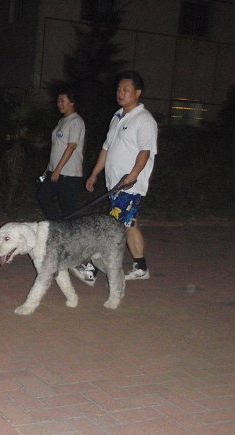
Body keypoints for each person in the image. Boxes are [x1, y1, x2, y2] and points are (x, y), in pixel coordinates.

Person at [71, 70, 158, 284]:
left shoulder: (144, 120)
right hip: (114, 184)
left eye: (126, 89)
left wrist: (133, 176)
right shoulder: (117, 116)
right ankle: (141, 267)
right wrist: (94, 174)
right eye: (119, 89)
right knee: (129, 225)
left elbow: (145, 152)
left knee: (110, 229)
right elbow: (106, 149)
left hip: (128, 185)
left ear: (138, 93)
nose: (120, 93)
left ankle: (91, 271)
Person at [37, 87, 85, 220]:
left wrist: (58, 169)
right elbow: (56, 147)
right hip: (55, 170)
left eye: (63, 100)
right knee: (43, 196)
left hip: (68, 173)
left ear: (72, 102)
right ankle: (59, 225)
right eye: (58, 101)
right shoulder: (62, 121)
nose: (60, 104)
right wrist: (49, 168)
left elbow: (71, 147)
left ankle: (73, 236)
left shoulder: (75, 121)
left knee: (69, 209)